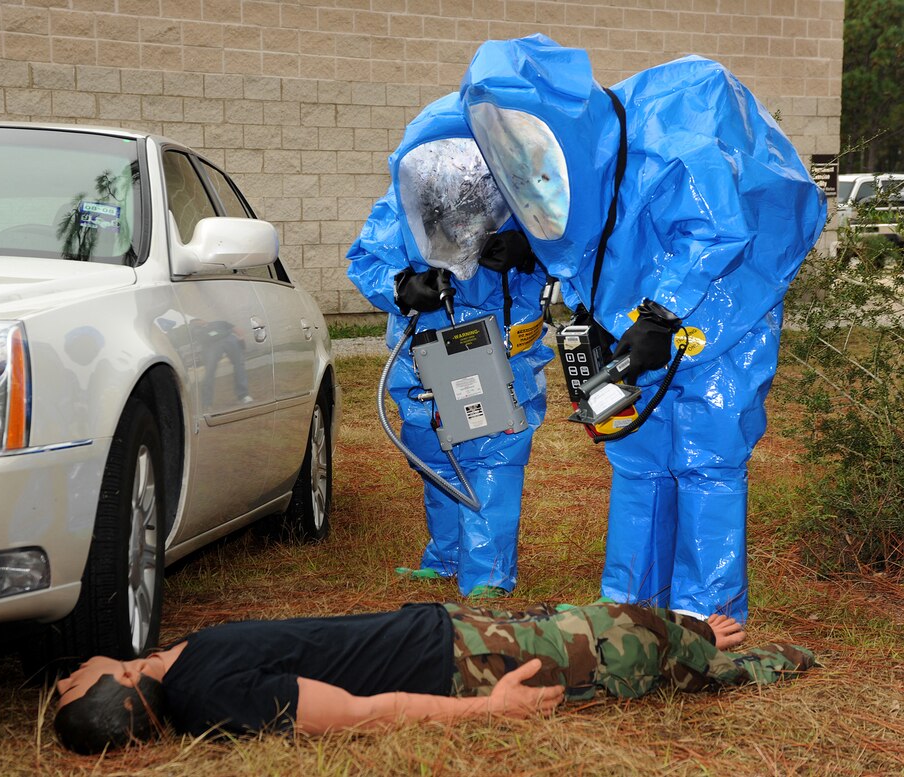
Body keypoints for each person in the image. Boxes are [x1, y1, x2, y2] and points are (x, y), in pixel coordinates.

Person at [457, 35, 827, 622]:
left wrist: (662, 313)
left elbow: (719, 232)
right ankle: (631, 608)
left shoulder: (674, 144)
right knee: (639, 459)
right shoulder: (578, 163)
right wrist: (589, 315)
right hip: (639, 317)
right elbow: (582, 244)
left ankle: (706, 620)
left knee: (706, 459)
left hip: (729, 305)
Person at [53, 599, 815, 754]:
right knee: (629, 642)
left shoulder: (174, 662)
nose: (63, 678)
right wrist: (493, 710)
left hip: (451, 629)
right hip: (459, 663)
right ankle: (742, 661)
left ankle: (691, 637)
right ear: (119, 686)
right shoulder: (209, 695)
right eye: (70, 688)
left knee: (607, 621)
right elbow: (358, 714)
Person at [347, 92, 554, 598]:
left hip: (497, 347)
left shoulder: (526, 202)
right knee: (434, 452)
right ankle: (446, 557)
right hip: (422, 354)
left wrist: (533, 252)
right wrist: (402, 287)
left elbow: (573, 255)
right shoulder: (399, 205)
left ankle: (486, 579)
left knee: (493, 455)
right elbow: (366, 260)